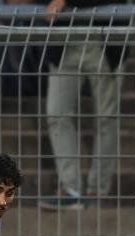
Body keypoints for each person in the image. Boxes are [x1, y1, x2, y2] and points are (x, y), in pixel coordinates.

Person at [40, 0, 127, 210]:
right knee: (56, 113)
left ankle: (98, 189)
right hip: (65, 35)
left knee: (106, 118)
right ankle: (72, 189)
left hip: (104, 34)